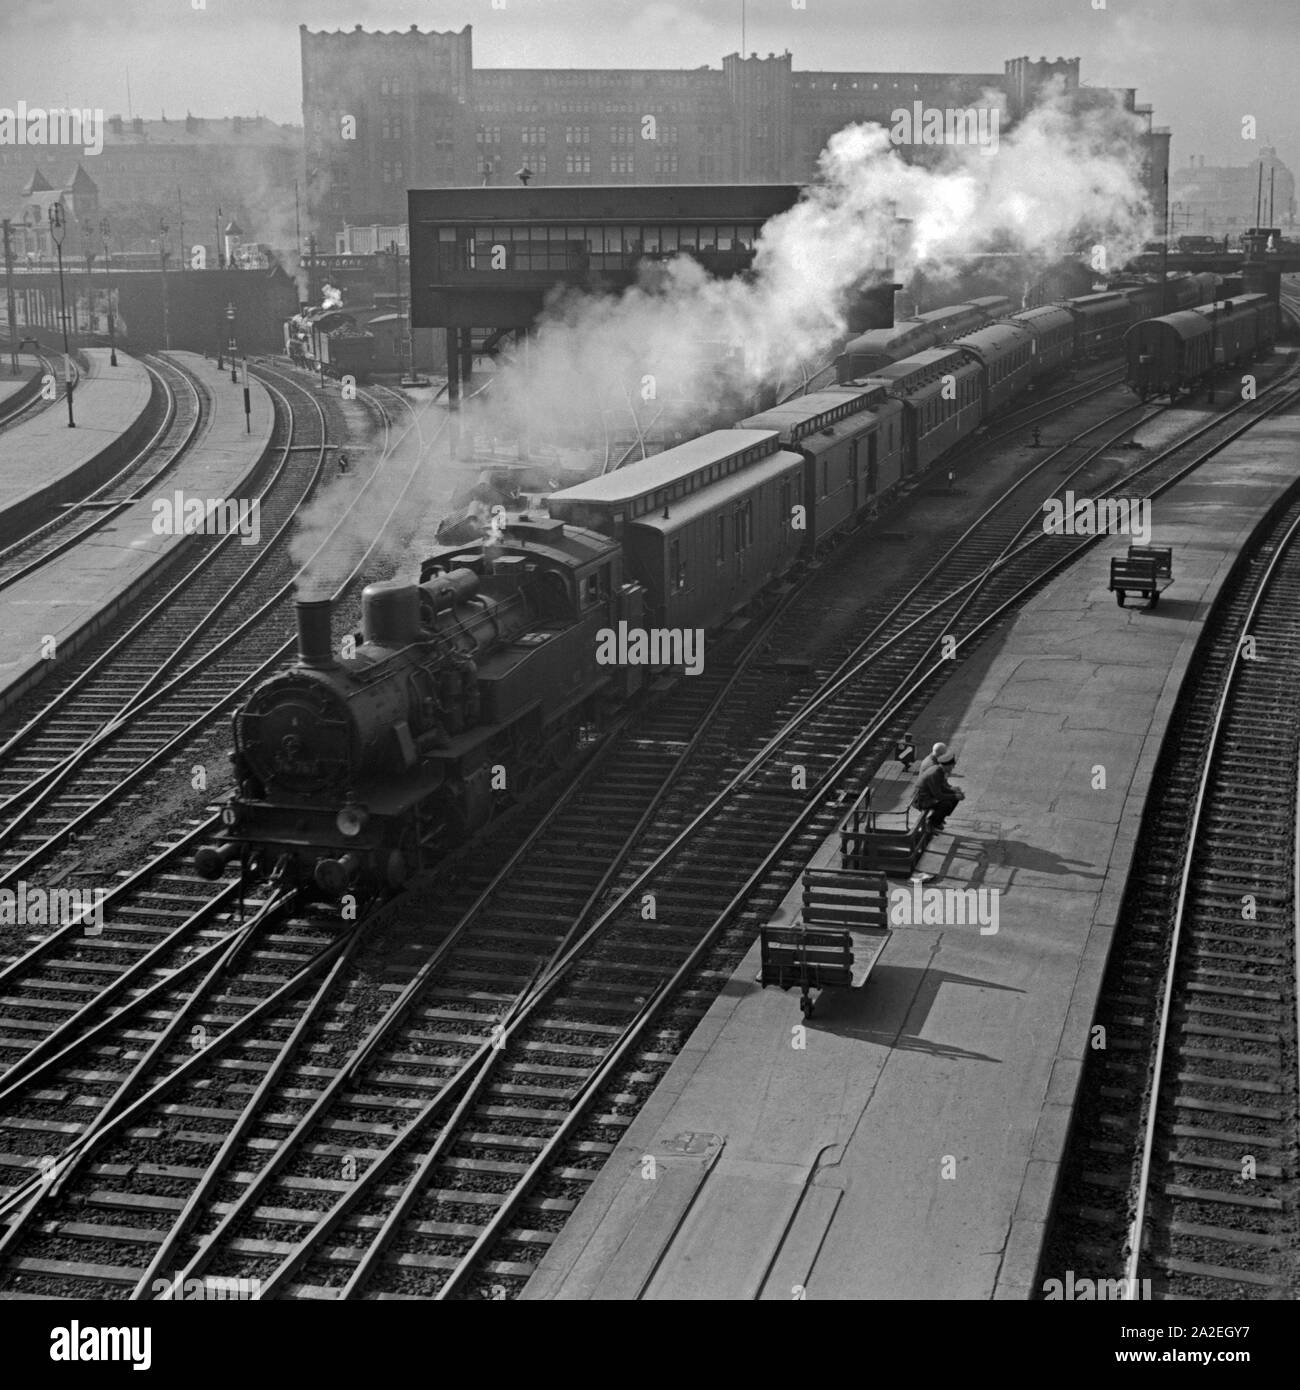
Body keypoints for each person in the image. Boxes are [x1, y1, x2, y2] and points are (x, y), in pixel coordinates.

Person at [911, 748, 964, 832]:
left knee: (954, 799)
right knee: (946, 804)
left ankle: (938, 819)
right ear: (946, 765)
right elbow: (938, 795)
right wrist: (954, 795)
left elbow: (942, 787)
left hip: (928, 796)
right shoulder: (934, 773)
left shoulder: (939, 770)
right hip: (921, 800)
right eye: (951, 766)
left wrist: (954, 791)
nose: (952, 768)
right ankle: (931, 822)